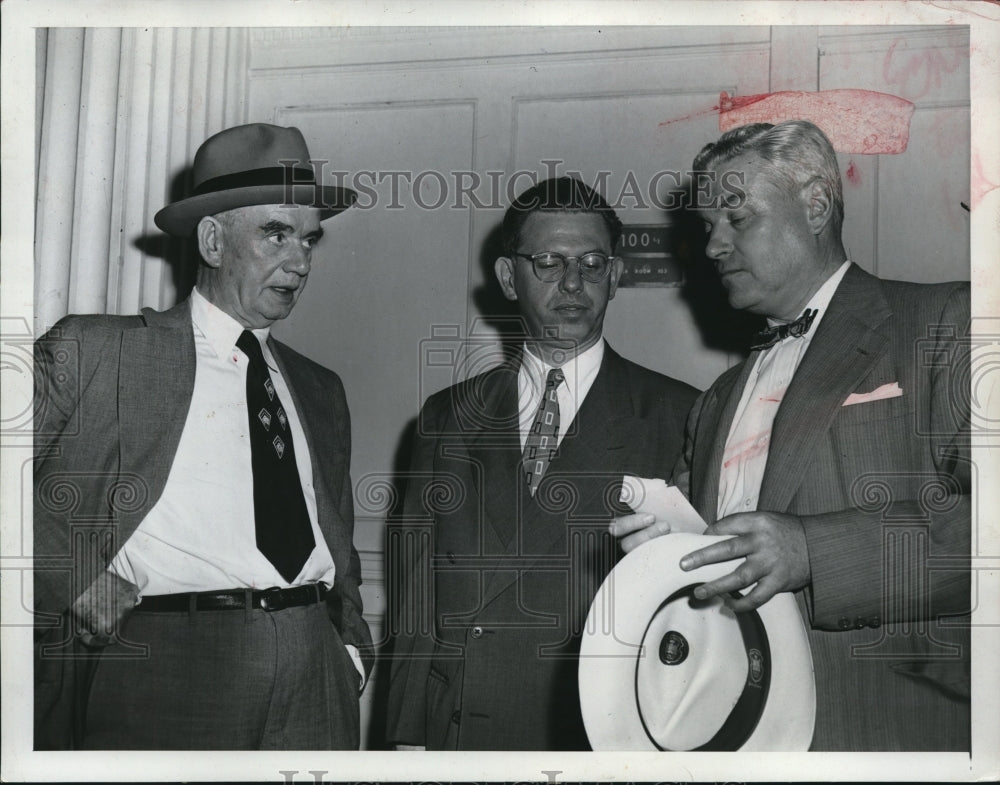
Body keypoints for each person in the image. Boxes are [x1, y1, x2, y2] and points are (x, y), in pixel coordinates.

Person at [613, 120, 971, 751]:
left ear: (815, 205)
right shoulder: (718, 400)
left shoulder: (943, 321)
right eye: (706, 227)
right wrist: (668, 549)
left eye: (737, 217)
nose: (715, 245)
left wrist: (814, 551)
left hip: (886, 735)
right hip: (733, 735)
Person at [33, 123, 373, 750]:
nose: (299, 262)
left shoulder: (320, 390)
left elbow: (340, 547)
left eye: (308, 239)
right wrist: (75, 576)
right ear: (213, 241)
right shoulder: (98, 351)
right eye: (276, 233)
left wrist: (347, 647)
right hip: (167, 667)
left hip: (315, 676)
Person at [385, 177, 700, 750]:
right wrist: (408, 738)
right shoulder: (448, 417)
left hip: (599, 734)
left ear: (617, 276)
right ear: (509, 278)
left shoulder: (678, 415)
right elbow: (415, 601)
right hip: (464, 733)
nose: (573, 282)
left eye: (592, 261)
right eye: (548, 261)